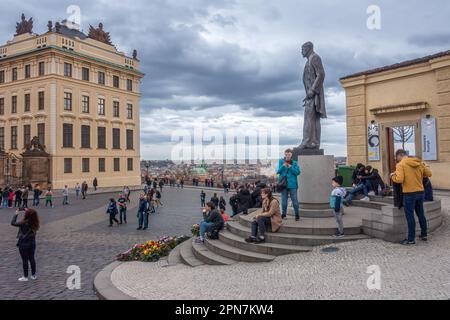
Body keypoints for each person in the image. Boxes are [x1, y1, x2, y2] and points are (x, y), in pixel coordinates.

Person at [391, 149, 432, 245]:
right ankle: (424, 234)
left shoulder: (401, 164)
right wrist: (423, 167)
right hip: (420, 192)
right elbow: (429, 174)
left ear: (399, 156)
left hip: (409, 193)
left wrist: (392, 176)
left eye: (397, 157)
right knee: (420, 214)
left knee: (410, 216)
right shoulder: (419, 162)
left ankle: (411, 239)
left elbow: (399, 179)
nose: (397, 159)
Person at [11, 208, 40, 282]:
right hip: (32, 242)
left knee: (25, 260)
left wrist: (16, 214)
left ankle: (25, 276)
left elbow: (13, 223)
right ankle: (33, 275)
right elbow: (32, 213)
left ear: (27, 215)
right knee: (32, 258)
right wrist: (28, 210)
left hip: (23, 243)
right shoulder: (35, 222)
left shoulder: (24, 222)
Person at [277, 149, 301, 221]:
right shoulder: (281, 161)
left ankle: (297, 215)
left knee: (295, 201)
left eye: (289, 154)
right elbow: (278, 171)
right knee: (284, 201)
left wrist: (291, 167)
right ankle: (284, 214)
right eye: (286, 154)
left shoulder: (294, 163)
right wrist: (283, 166)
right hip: (283, 184)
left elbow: (297, 172)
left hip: (292, 185)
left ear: (291, 155)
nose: (287, 156)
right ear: (285, 154)